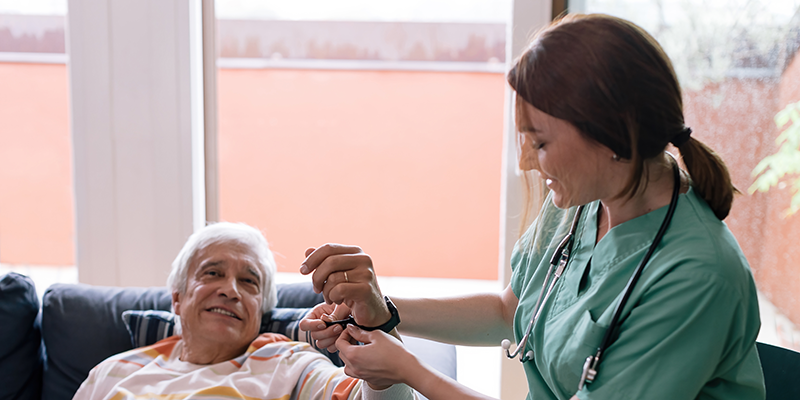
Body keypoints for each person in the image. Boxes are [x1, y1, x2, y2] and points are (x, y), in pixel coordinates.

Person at [298, 13, 766, 400]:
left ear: (615, 137)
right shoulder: (586, 196)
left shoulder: (697, 277)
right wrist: (384, 308)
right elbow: (512, 310)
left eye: (539, 143)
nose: (525, 161)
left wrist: (410, 370)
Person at [72, 222, 414, 400]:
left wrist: (375, 324)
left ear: (262, 308)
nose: (230, 290)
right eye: (213, 273)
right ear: (177, 298)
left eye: (249, 282)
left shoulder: (289, 362)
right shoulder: (113, 372)